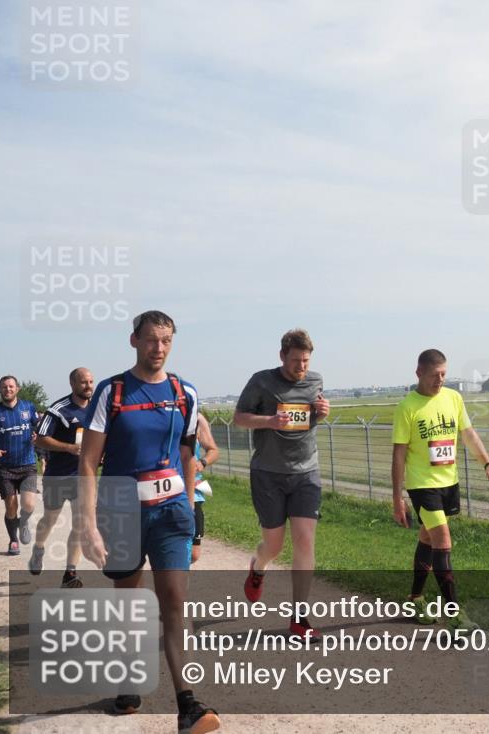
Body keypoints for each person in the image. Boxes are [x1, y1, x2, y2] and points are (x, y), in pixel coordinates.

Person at [77, 310, 220, 733]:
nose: (159, 348)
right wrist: (89, 524)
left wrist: (190, 509)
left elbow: (189, 454)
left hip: (171, 511)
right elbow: (88, 462)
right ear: (134, 340)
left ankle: (188, 704)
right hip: (122, 512)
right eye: (152, 340)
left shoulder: (184, 392)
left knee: (174, 602)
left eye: (166, 340)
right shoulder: (112, 392)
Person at [391, 349, 489, 631]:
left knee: (428, 538)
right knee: (442, 540)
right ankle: (455, 615)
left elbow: (468, 434)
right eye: (434, 375)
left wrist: (487, 463)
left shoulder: (453, 398)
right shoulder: (407, 407)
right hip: (422, 485)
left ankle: (415, 598)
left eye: (443, 374)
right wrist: (397, 498)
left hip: (448, 482)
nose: (440, 380)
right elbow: (398, 455)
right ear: (419, 373)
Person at [233, 328, 329, 639]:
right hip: (268, 474)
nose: (301, 367)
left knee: (305, 541)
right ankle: (258, 567)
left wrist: (321, 413)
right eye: (296, 360)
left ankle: (299, 617)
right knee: (273, 546)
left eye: (306, 361)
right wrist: (270, 421)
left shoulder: (315, 381)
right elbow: (239, 418)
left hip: (306, 473)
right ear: (282, 356)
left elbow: (310, 418)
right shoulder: (262, 381)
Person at [29, 367, 94, 586]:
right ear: (72, 384)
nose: (88, 386)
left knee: (80, 524)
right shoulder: (58, 410)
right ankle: (38, 548)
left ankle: (70, 573)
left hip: (83, 476)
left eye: (91, 381)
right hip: (57, 476)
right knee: (50, 519)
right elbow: (40, 439)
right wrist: (68, 448)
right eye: (83, 382)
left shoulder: (96, 407)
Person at [0, 376, 40, 555]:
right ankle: (13, 540)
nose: (8, 389)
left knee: (28, 505)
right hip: (4, 468)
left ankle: (24, 522)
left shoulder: (28, 407)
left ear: (17, 388)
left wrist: (37, 435)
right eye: (4, 387)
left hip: (27, 465)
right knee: (11, 506)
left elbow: (40, 428)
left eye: (11, 386)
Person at [191, 412, 220, 563]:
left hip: (192, 493)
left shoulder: (196, 417)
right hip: (165, 493)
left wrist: (202, 462)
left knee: (194, 554)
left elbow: (213, 450)